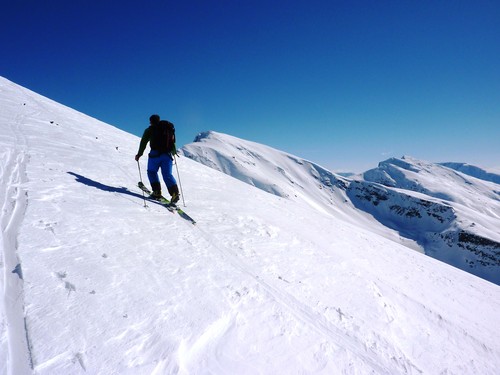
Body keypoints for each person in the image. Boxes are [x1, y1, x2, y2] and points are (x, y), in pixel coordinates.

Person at [135, 114, 180, 203]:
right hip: (167, 155)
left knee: (152, 172)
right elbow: (173, 141)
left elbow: (143, 142)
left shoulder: (150, 130)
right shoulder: (168, 129)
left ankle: (157, 192)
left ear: (151, 121)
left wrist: (139, 154)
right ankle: (175, 194)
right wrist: (174, 152)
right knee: (167, 175)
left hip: (154, 155)